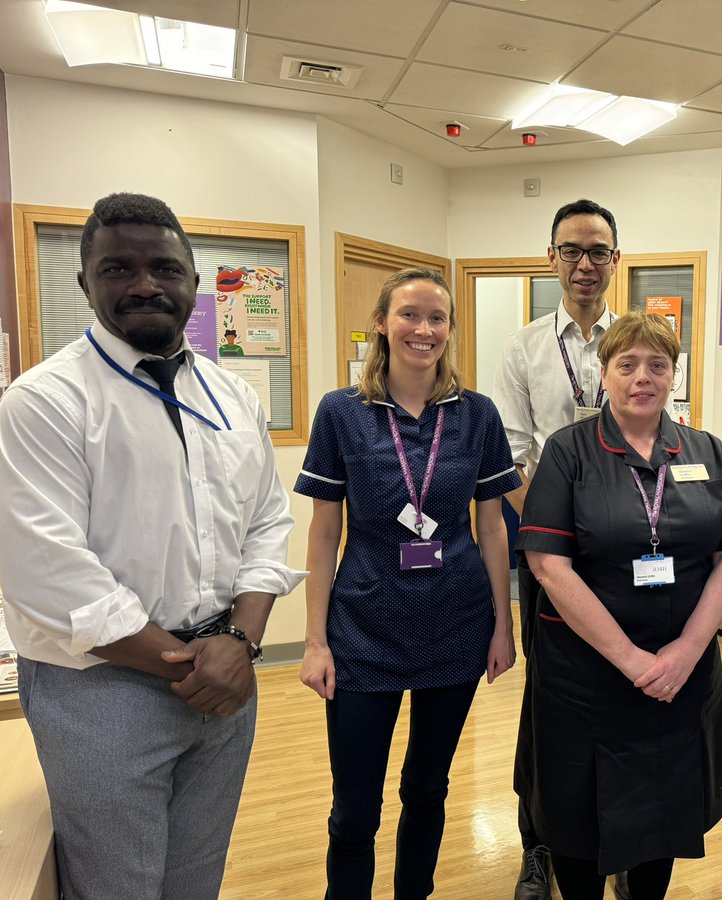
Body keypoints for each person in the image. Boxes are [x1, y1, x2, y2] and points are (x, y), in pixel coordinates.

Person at [0, 192, 302, 900]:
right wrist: (192, 661)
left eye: (165, 267)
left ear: (193, 281)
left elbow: (266, 524)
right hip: (102, 691)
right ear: (84, 284)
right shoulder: (44, 402)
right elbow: (49, 574)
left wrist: (240, 644)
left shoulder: (234, 397)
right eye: (117, 269)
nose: (143, 284)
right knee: (118, 889)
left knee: (195, 881)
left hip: (227, 681)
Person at [295, 268, 521, 899]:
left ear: (450, 330)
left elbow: (495, 528)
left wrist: (504, 626)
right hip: (364, 625)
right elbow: (322, 531)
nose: (424, 330)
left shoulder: (477, 415)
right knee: (355, 807)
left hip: (456, 622)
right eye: (410, 315)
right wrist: (316, 642)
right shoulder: (343, 412)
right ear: (382, 323)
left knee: (428, 788)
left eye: (437, 319)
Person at [516, 311, 722, 900]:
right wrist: (629, 659)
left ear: (674, 374)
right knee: (575, 815)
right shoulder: (569, 452)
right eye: (626, 364)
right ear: (605, 373)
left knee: (661, 809)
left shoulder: (705, 450)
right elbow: (548, 564)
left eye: (657, 365)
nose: (641, 377)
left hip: (679, 673)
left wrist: (687, 651)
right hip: (585, 676)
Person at [493, 198, 623, 900]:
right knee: (550, 703)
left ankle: (623, 840)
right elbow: (514, 460)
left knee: (625, 694)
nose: (584, 263)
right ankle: (539, 846)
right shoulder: (523, 347)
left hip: (627, 560)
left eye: (598, 250)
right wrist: (554, 543)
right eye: (571, 250)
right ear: (551, 259)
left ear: (615, 260)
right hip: (550, 558)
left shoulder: (639, 337)